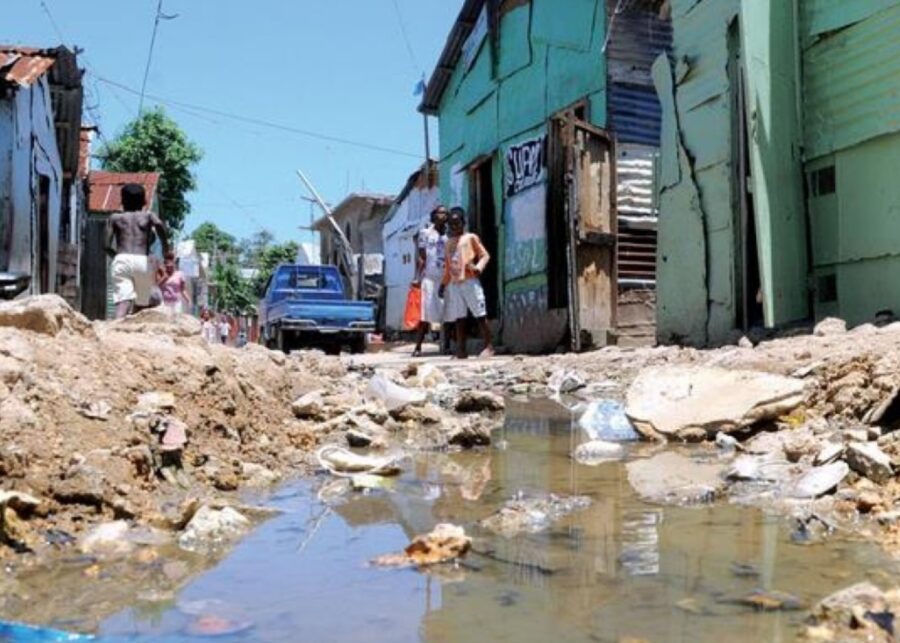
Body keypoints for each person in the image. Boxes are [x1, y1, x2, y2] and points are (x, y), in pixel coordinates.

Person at [105, 184, 169, 320]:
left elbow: (105, 244)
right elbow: (159, 225)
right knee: (142, 301)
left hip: (122, 258)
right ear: (144, 202)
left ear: (122, 201)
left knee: (123, 301)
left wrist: (116, 256)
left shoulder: (115, 218)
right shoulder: (148, 216)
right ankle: (134, 331)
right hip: (141, 260)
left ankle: (116, 326)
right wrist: (165, 247)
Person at [439, 208, 494, 359]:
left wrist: (478, 268)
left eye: (457, 223)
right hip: (455, 283)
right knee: (459, 318)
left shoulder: (470, 238)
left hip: (470, 281)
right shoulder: (448, 243)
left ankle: (489, 346)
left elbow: (484, 255)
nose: (454, 227)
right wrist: (443, 284)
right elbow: (448, 267)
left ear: (463, 223)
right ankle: (461, 350)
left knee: (480, 314)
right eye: (451, 224)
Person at [412, 205, 449, 357]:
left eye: (445, 213)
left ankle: (445, 345)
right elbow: (421, 256)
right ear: (433, 216)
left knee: (448, 313)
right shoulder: (425, 233)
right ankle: (418, 347)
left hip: (446, 278)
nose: (443, 215)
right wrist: (417, 276)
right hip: (430, 277)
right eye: (440, 213)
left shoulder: (451, 234)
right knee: (425, 314)